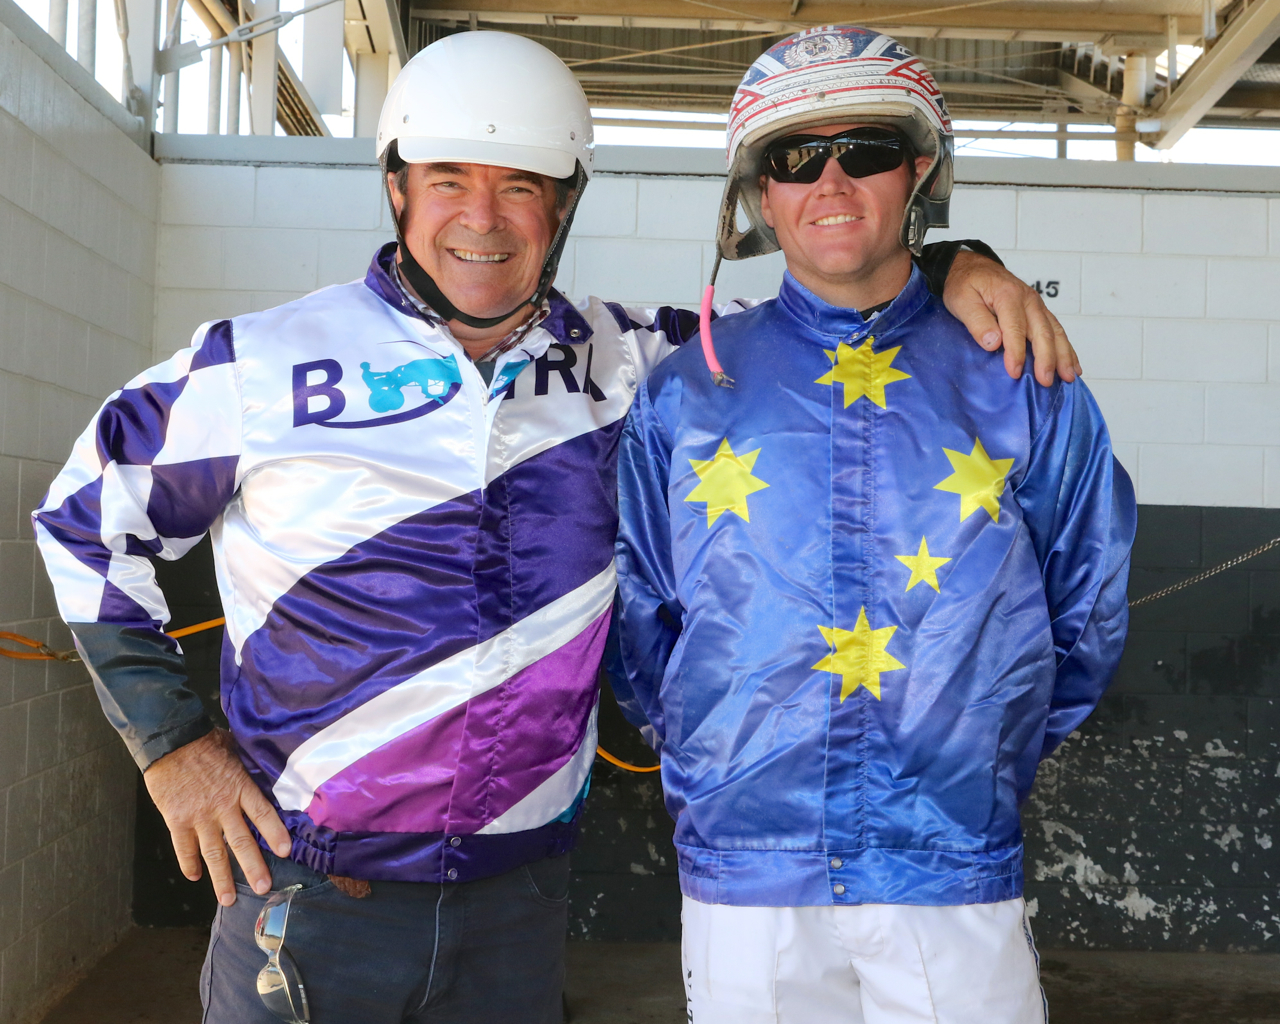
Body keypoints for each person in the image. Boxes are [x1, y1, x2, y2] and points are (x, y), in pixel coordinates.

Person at [34, 30, 1078, 1024]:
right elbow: (86, 521)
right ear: (397, 186)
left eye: (521, 186)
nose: (482, 219)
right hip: (305, 898)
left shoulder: (637, 361)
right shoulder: (259, 363)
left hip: (517, 908)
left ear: (564, 202)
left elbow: (826, 311)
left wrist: (953, 263)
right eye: (449, 179)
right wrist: (171, 748)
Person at [613, 26, 1136, 1024]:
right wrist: (715, 760)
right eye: (794, 157)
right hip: (746, 868)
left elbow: (1087, 601)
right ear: (759, 193)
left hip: (949, 858)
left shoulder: (1023, 375)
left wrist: (985, 753)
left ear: (919, 170)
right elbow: (643, 616)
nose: (831, 181)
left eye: (865, 149)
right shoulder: (685, 391)